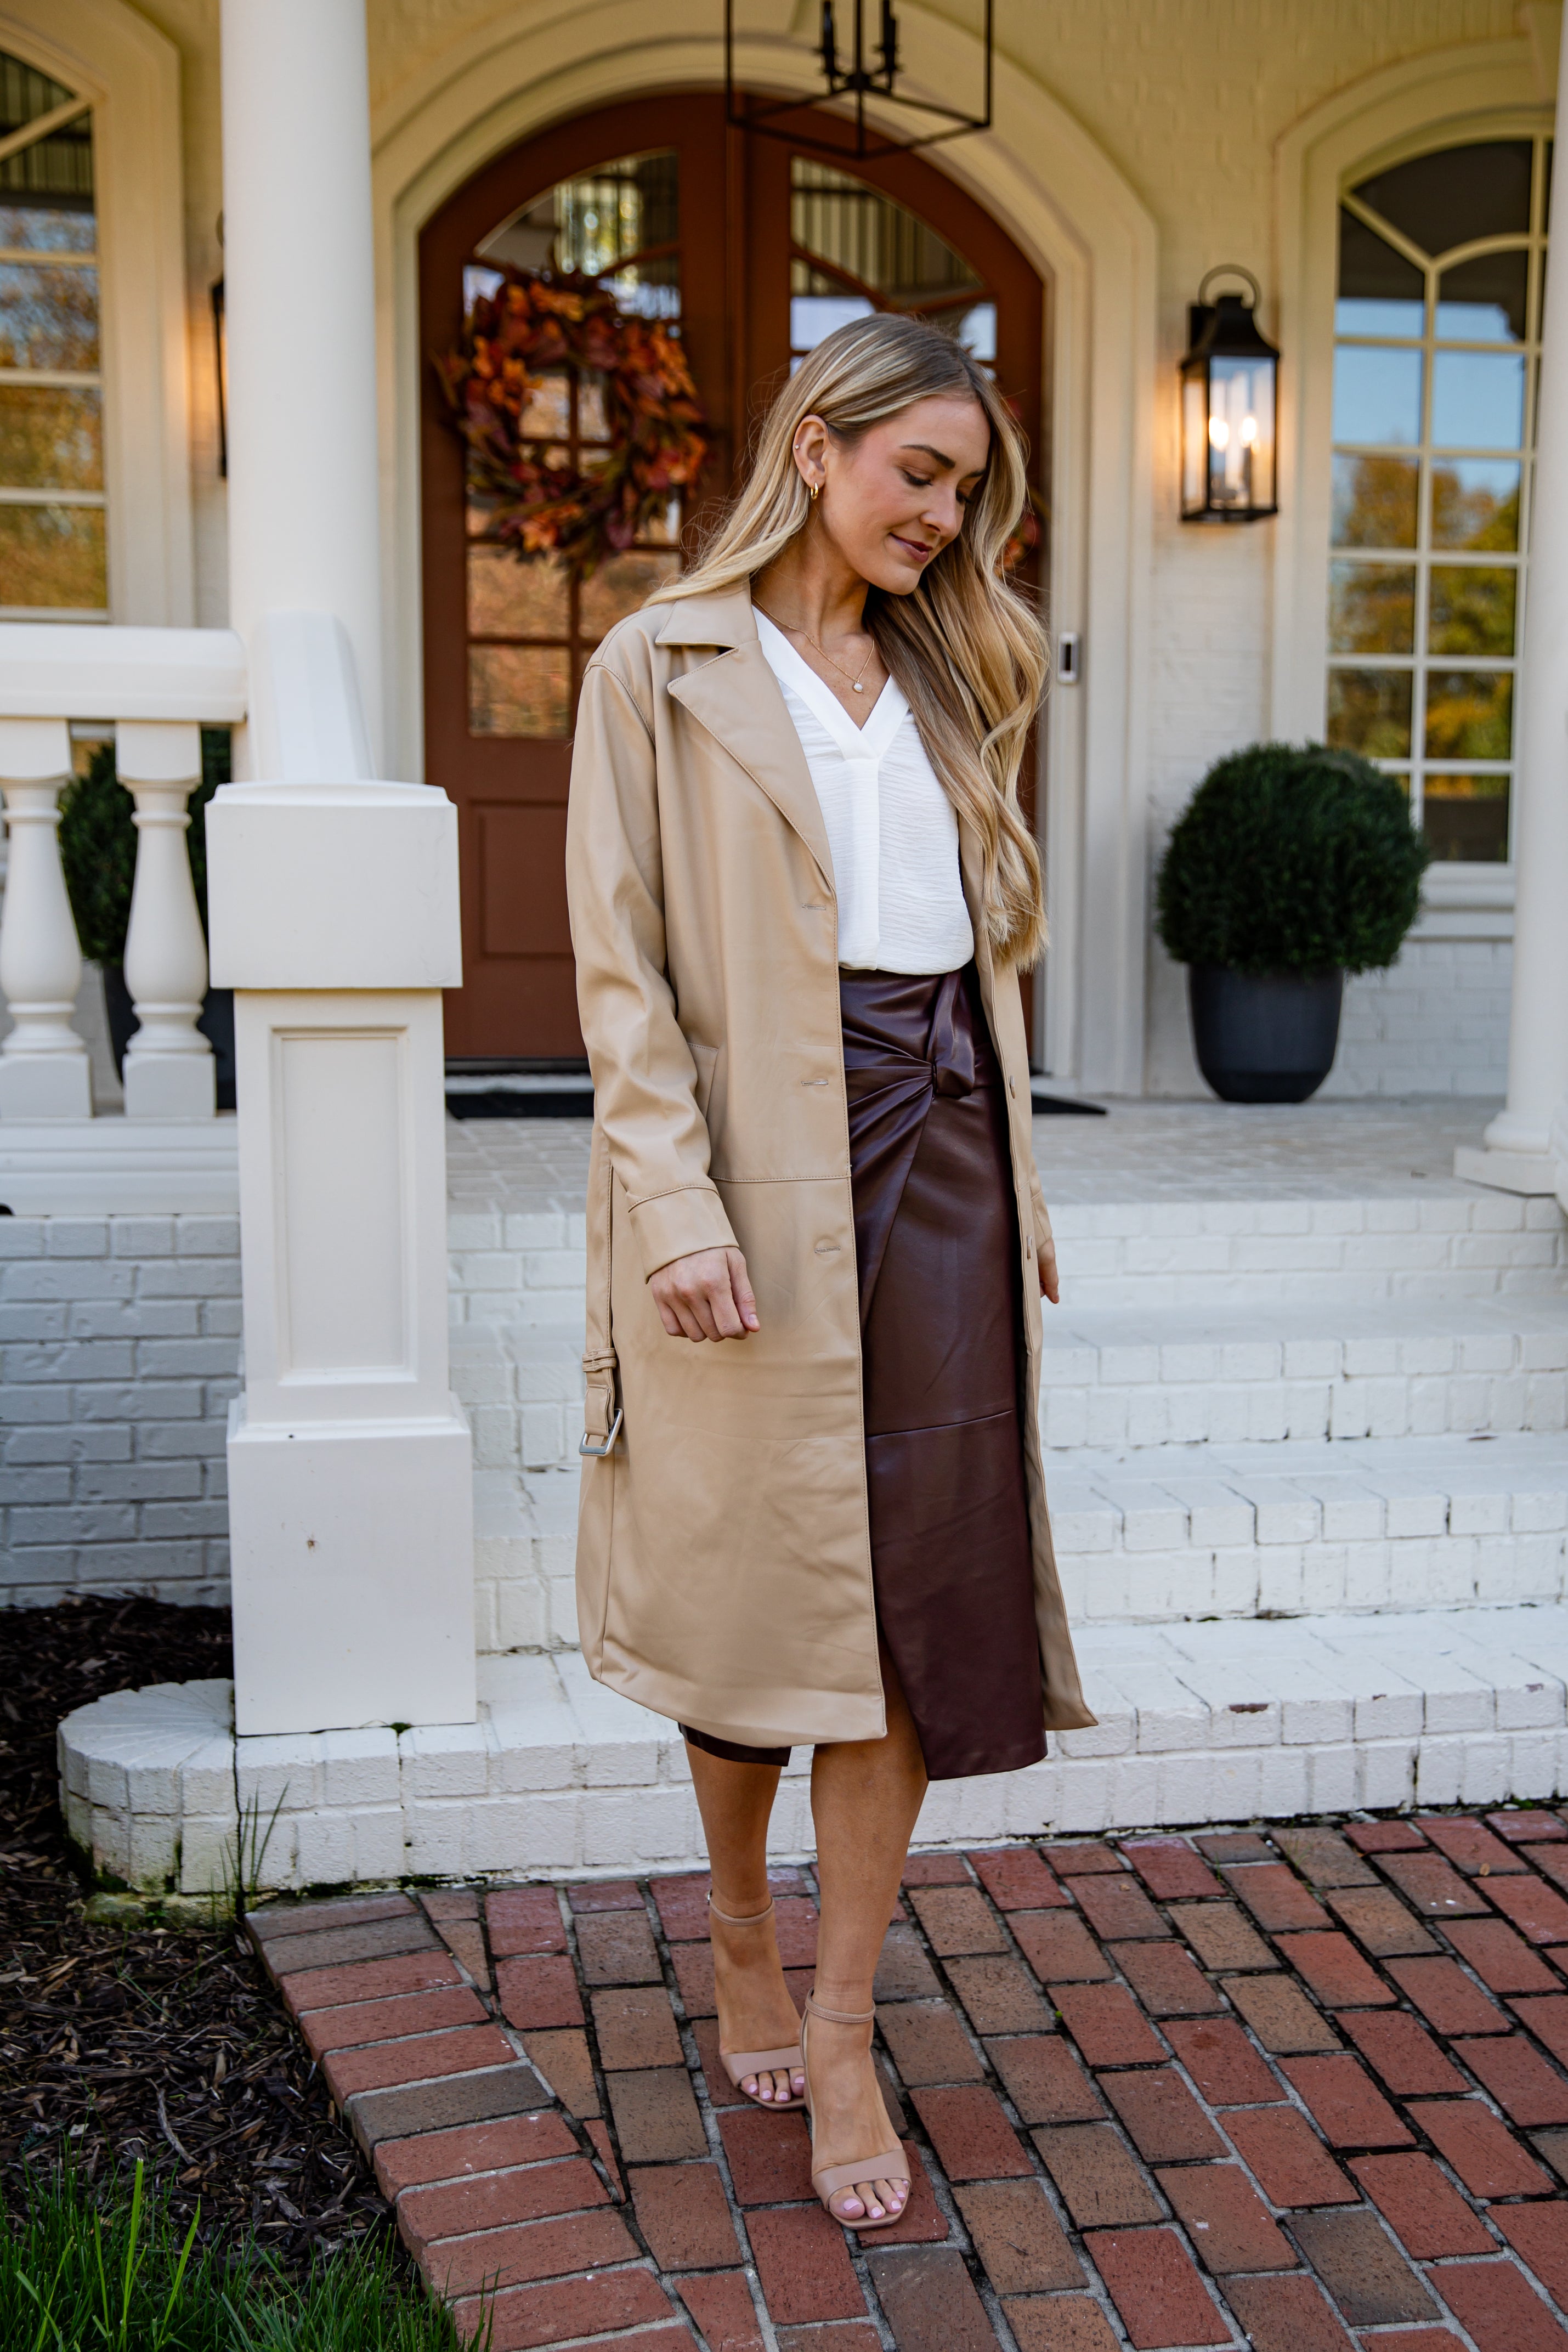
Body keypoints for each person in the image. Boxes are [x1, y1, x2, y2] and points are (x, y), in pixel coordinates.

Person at [565, 312, 1093, 2234]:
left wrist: (1014, 1176)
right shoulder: (659, 666)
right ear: (816, 445)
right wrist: (671, 1202)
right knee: (753, 1587)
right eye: (917, 476)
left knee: (921, 1602)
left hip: (937, 1141)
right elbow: (616, 973)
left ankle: (851, 2020)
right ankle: (733, 1932)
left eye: (965, 490)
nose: (944, 522)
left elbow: (985, 954)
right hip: (752, 1161)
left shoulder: (965, 677)